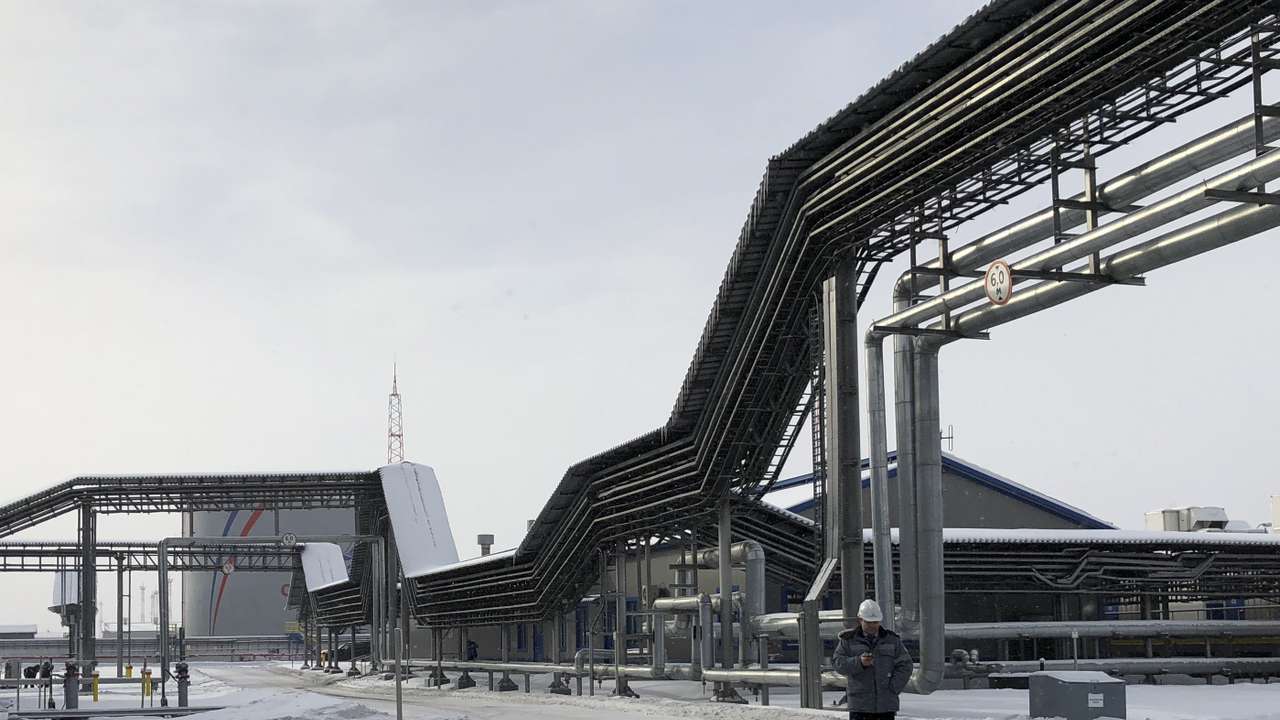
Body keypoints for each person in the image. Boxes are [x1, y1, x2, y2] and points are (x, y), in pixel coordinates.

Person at [831, 599, 913, 720]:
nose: (873, 626)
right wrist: (859, 662)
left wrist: (893, 687)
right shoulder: (848, 641)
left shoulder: (891, 640)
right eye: (869, 622)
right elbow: (838, 663)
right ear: (860, 620)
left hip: (886, 706)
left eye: (875, 622)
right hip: (860, 706)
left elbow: (906, 665)